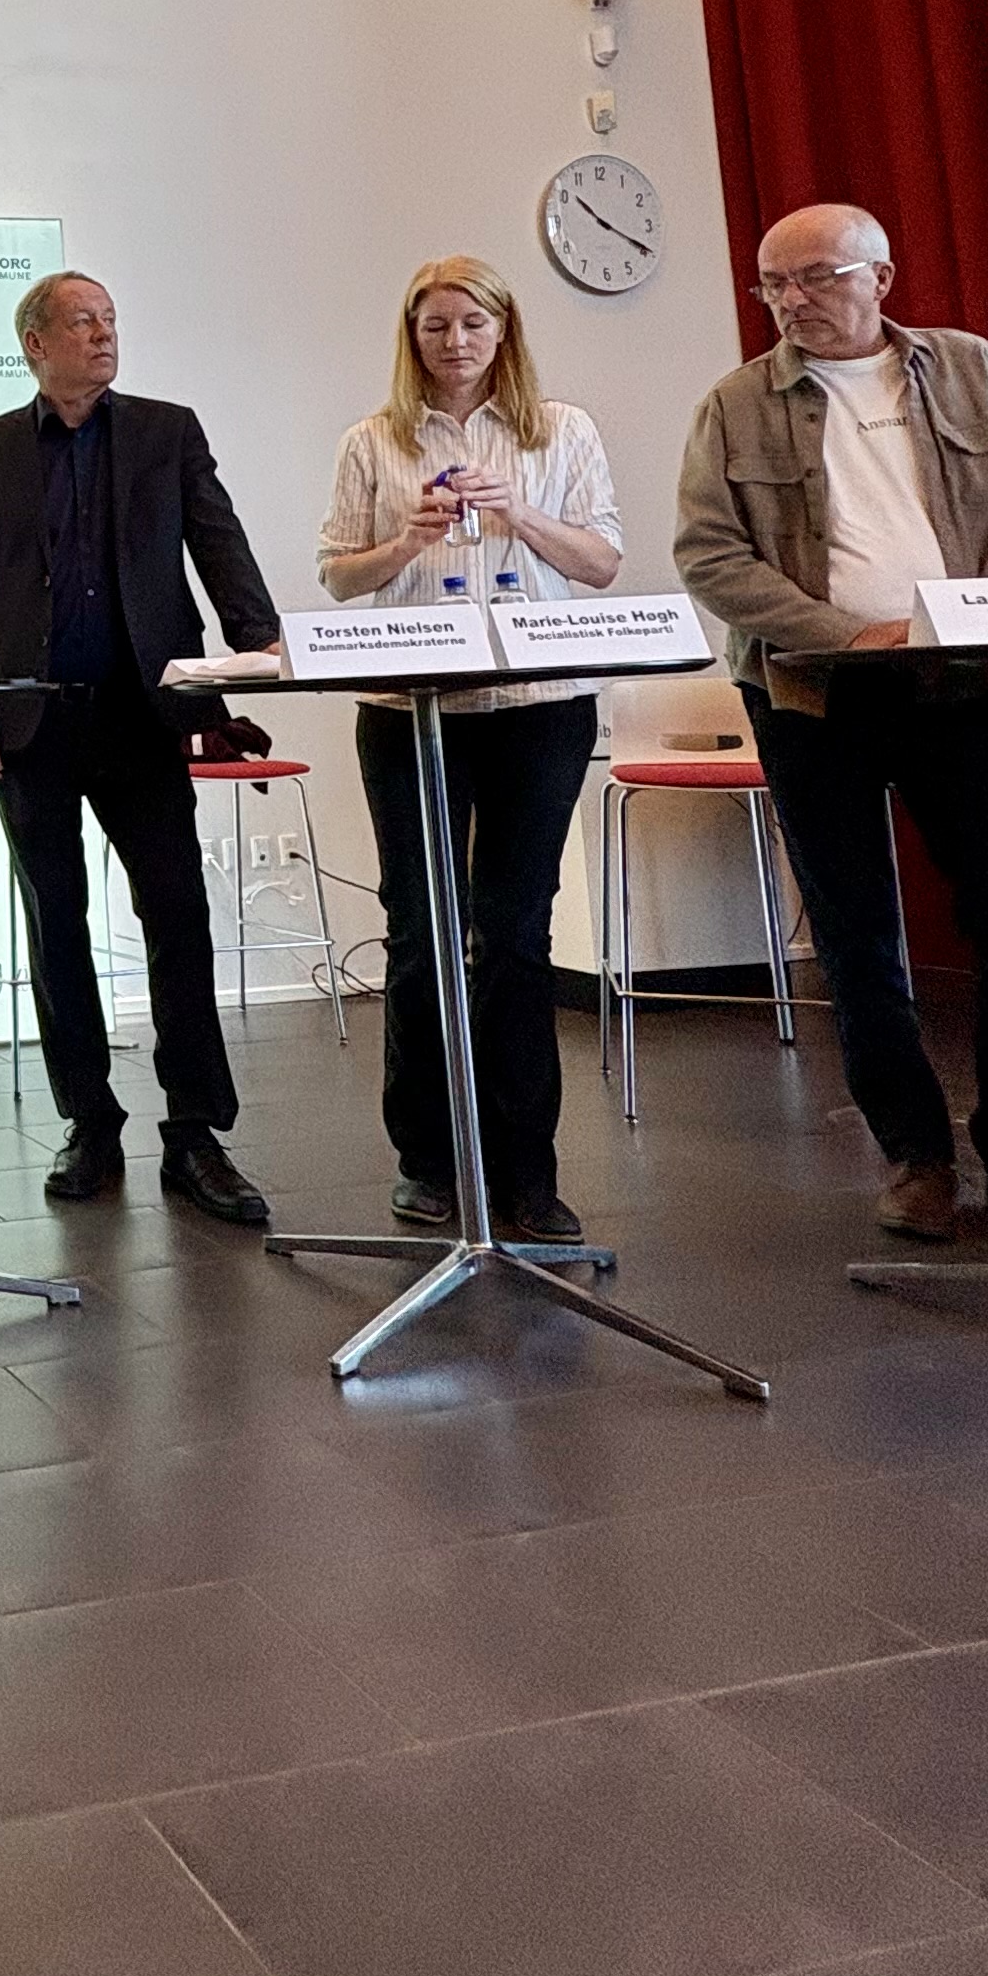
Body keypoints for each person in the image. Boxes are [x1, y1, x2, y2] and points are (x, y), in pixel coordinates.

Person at [673, 202, 988, 1252]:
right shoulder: (736, 404)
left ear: (881, 277)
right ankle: (915, 1156)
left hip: (963, 685)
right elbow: (711, 555)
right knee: (856, 934)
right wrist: (849, 635)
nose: (793, 301)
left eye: (816, 277)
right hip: (812, 692)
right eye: (774, 284)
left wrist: (966, 622)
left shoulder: (979, 371)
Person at [0, 270, 283, 1226]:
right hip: (31, 722)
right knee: (56, 924)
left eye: (110, 320)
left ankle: (196, 1131)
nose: (103, 334)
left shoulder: (167, 432)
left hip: (143, 714)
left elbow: (219, 541)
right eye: (83, 322)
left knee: (177, 913)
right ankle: (88, 1118)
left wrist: (257, 643)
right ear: (35, 343)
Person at [315, 256, 619, 1243]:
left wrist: (518, 514)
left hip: (539, 706)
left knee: (516, 932)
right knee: (420, 929)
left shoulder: (562, 430)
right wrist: (408, 541)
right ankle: (428, 1161)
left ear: (503, 331)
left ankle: (527, 1171)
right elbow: (337, 577)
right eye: (435, 326)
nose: (455, 343)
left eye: (472, 324)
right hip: (410, 710)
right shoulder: (372, 440)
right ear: (413, 337)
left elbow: (602, 563)